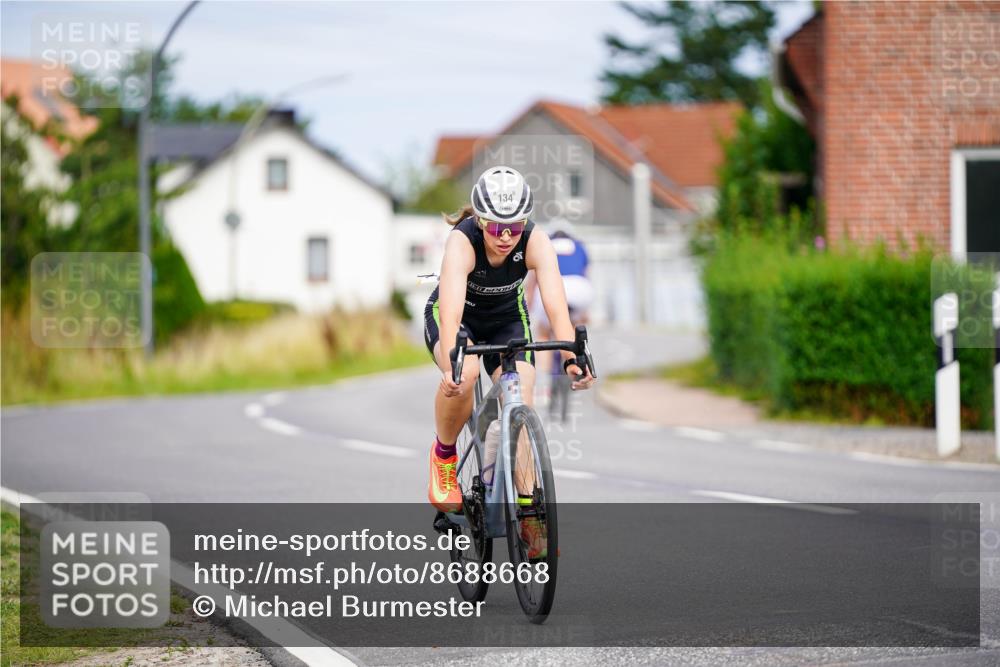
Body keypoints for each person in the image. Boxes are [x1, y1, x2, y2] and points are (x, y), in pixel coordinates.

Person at [423, 166, 596, 526]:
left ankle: (528, 506)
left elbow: (556, 308)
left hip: (506, 321)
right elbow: (451, 314)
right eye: (496, 227)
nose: (505, 236)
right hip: (458, 317)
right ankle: (443, 456)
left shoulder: (536, 241)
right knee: (466, 375)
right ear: (480, 220)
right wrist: (453, 364)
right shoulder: (462, 241)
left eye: (514, 227)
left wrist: (571, 357)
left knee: (520, 398)